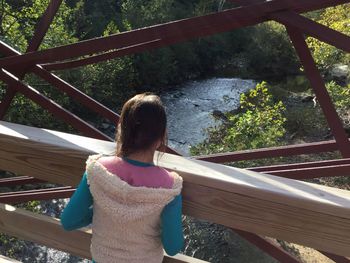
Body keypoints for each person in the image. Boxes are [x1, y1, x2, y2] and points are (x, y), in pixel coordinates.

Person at [61, 93, 184, 263]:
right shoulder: (169, 187)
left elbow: (68, 221)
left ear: (121, 130)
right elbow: (173, 247)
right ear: (161, 137)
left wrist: (97, 213)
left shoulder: (97, 170)